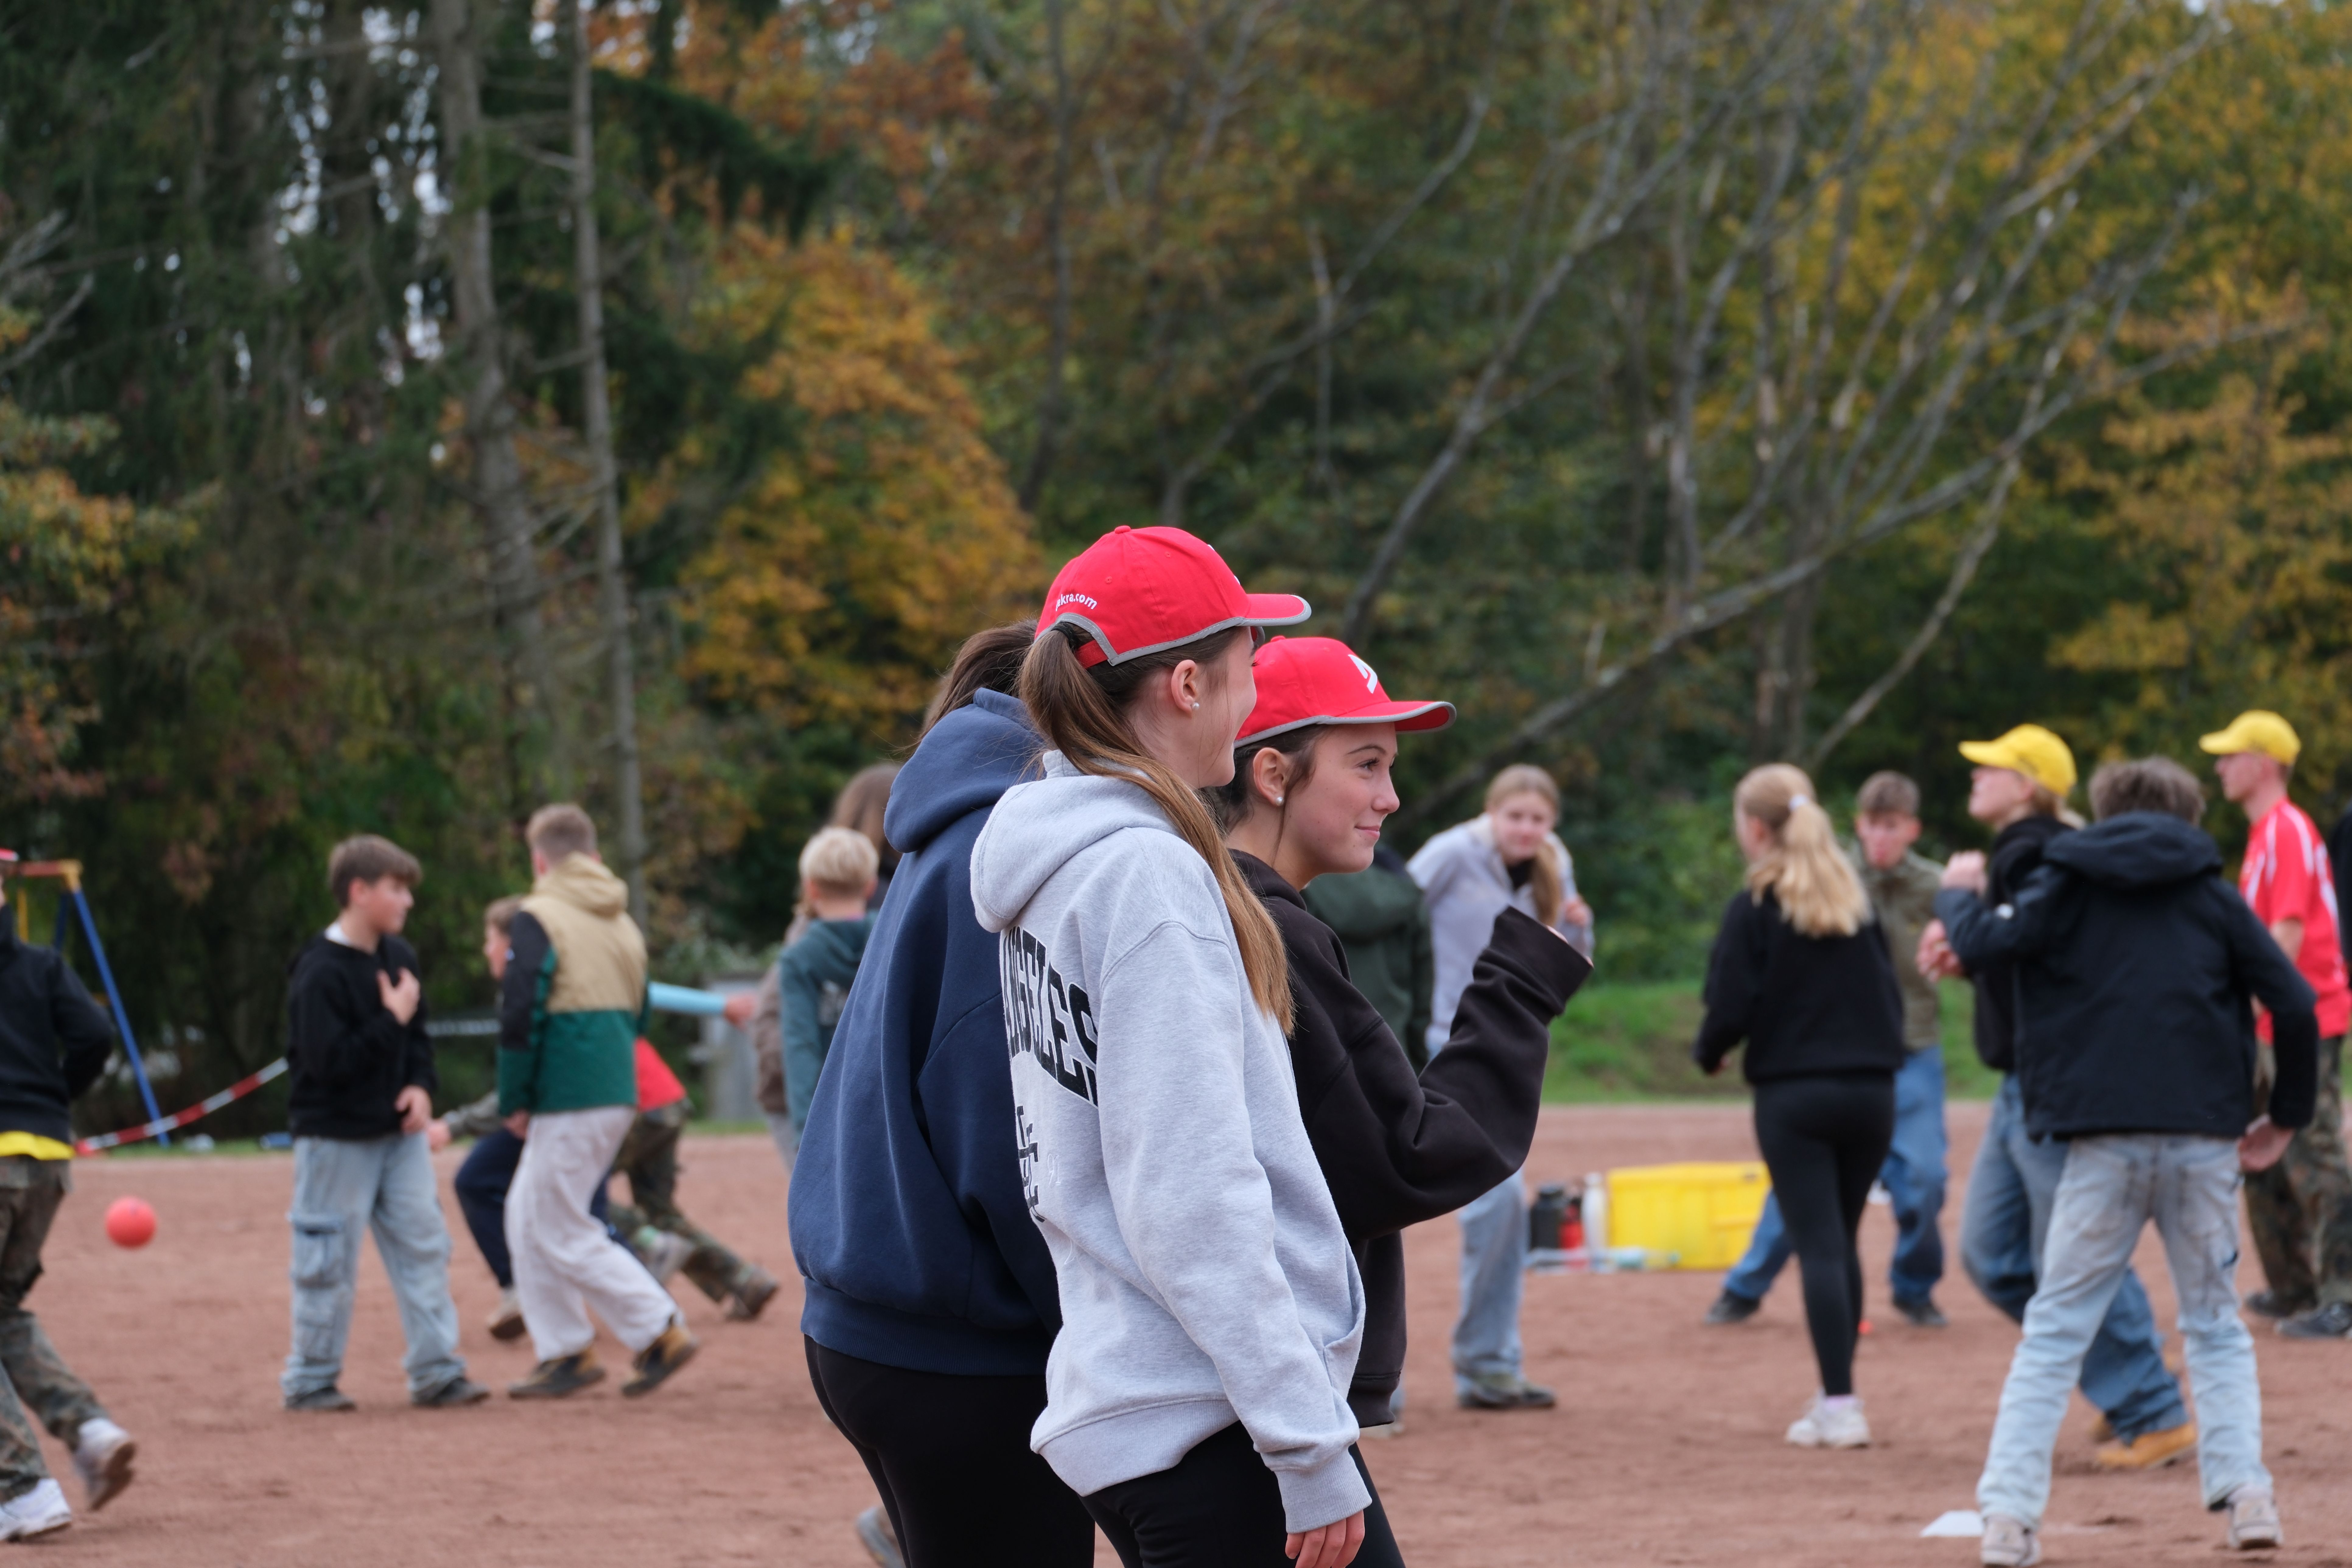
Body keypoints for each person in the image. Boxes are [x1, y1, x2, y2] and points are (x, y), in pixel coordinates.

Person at [967, 525, 1370, 1568]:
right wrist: (1306, 1442)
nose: (1256, 688)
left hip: (1149, 1393)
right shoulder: (1143, 874)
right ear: (1188, 685)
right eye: (1247, 662)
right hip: (1211, 1414)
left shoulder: (1058, 853)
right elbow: (1190, 1190)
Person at [1212, 636, 1590, 1463]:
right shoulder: (1271, 931)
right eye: (1367, 765)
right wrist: (1521, 984)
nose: (1390, 797)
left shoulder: (1220, 902)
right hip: (1263, 1385)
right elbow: (1407, 1156)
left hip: (1235, 1372)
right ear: (1272, 775)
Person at [1936, 757, 2310, 1565]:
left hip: (2102, 1139)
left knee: (2055, 1330)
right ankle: (2248, 1497)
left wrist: (1957, 897)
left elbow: (1989, 946)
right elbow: (2294, 999)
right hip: (2203, 1139)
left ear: (2103, 812)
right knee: (2215, 1325)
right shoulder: (2212, 895)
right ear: (2188, 816)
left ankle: (2009, 1519)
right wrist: (2287, 1115)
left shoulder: (2064, 885)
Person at [790, 621, 1089, 1568]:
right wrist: (1095, 1330)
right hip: (954, 1349)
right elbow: (1002, 1140)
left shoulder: (955, 833)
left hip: (886, 1320)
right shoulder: (997, 853)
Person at [1921, 725, 2194, 1470]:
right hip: (2022, 1086)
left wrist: (1957, 904)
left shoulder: (2035, 851)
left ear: (2030, 786)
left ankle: (2152, 1408)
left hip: (2051, 1088)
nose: (1977, 776)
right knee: (1994, 1255)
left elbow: (2027, 947)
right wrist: (1970, 955)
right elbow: (2036, 962)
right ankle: (2131, 1375)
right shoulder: (2030, 853)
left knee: (2070, 1255)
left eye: (1993, 768)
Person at [1692, 765, 1905, 1450]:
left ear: (1756, 828)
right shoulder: (1854, 902)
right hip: (1872, 1092)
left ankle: (1840, 1405)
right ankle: (1838, 1394)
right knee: (1841, 1241)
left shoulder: (1755, 905)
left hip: (1795, 1096)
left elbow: (1729, 1003)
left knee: (1818, 1245)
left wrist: (1709, 1051)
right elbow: (1891, 998)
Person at [1709, 771, 1950, 1328]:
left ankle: (1914, 1288)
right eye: (1873, 825)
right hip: (1843, 1051)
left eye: (1893, 827)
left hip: (1912, 1050)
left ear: (1911, 830)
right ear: (1858, 826)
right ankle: (1746, 1285)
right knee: (1803, 1188)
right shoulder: (1832, 875)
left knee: (1924, 1180)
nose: (1881, 837)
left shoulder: (1937, 889)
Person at [1406, 765, 1594, 1411]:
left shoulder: (1554, 862)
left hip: (1495, 1052)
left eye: (1538, 819)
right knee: (1376, 1201)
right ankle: (1370, 1383)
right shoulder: (1452, 852)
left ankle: (1488, 1364)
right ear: (1491, 813)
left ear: (1552, 824)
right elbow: (1392, 910)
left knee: (1503, 1201)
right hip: (1425, 1041)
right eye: (1515, 816)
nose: (1525, 829)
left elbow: (1565, 959)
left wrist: (1580, 925)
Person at [499, 804, 698, 1399]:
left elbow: (519, 1013)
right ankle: (565, 1349)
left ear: (540, 860)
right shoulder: (622, 921)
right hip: (613, 1086)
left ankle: (660, 1329)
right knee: (526, 1212)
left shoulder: (537, 915)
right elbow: (641, 1012)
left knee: (559, 1223)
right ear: (593, 856)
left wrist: (516, 1095)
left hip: (570, 1090)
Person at [281, 835, 485, 1413]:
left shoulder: (400, 956)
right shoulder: (319, 972)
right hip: (335, 1138)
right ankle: (311, 1379)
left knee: (425, 1246)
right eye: (396, 889)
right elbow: (329, 1064)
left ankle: (437, 1371)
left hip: (400, 1138)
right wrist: (391, 1020)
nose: (407, 901)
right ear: (359, 891)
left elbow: (418, 1038)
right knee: (326, 1261)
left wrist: (420, 1085)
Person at [2200, 709, 2352, 1341]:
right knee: (2263, 1155)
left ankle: (2343, 1294)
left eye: (2230, 755)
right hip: (2276, 1018)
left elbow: (2285, 936)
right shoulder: (2266, 832)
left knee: (2313, 1154)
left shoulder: (2287, 828)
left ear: (2263, 763)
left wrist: (2249, 1009)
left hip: (2304, 1016)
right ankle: (2295, 1285)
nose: (2219, 766)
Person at [0, 855, 138, 1535]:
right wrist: (51, 1100)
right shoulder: (42, 964)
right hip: (47, 1158)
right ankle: (90, 1431)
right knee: (3, 1310)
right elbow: (94, 1036)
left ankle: (19, 1486)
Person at [775, 827, 881, 1154]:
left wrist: (806, 1133)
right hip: (888, 1104)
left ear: (811, 888)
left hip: (830, 1113)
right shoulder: (892, 939)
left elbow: (801, 1045)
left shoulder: (799, 959)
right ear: (870, 885)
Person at [1301, 845, 1434, 1070]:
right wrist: (1418, 1066)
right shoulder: (1404, 888)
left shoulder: (1298, 886)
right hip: (1392, 1057)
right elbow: (1422, 998)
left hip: (1317, 1059)